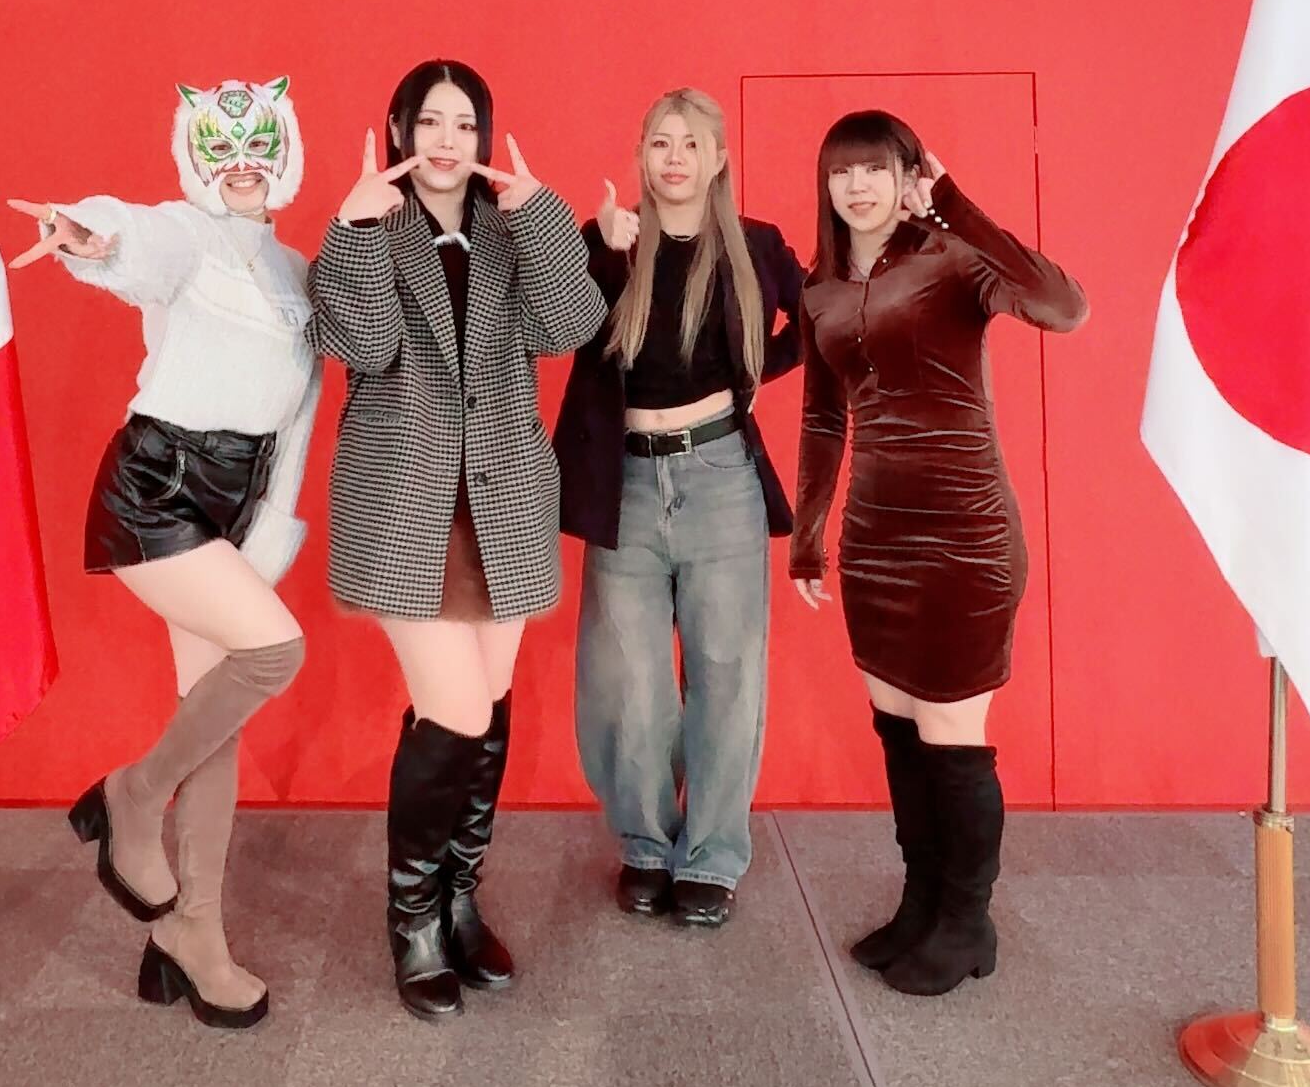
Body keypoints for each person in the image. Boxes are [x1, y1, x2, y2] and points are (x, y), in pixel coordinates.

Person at [9, 76, 320, 1030]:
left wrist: (271, 528)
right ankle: (132, 796)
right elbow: (135, 238)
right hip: (157, 488)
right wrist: (87, 232)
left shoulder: (299, 271)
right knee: (275, 652)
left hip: (238, 501)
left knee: (215, 723)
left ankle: (191, 936)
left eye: (259, 147)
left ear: (284, 155)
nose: (241, 164)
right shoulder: (188, 236)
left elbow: (298, 420)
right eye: (221, 147)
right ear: (195, 155)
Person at [310, 59, 606, 1020]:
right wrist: (355, 229)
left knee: (489, 701)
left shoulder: (508, 229)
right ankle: (412, 922)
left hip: (502, 497)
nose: (447, 141)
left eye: (465, 124)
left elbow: (571, 325)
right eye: (430, 121)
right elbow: (361, 346)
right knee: (458, 713)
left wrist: (540, 217)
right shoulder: (369, 227)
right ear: (398, 129)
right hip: (406, 503)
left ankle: (459, 896)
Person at [791, 110, 1086, 995]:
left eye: (877, 169)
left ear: (908, 176)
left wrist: (955, 203)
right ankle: (921, 903)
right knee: (897, 728)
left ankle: (966, 923)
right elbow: (822, 419)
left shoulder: (955, 259)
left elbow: (1062, 306)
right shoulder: (820, 289)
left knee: (953, 737)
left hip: (963, 532)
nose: (858, 186)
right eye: (842, 171)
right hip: (876, 536)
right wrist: (808, 537)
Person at [556, 88, 803, 925]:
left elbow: (818, 319)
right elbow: (561, 328)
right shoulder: (613, 239)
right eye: (660, 142)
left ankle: (713, 855)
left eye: (691, 144)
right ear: (641, 154)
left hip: (721, 475)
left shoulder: (756, 246)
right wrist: (597, 248)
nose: (674, 158)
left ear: (718, 158)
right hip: (626, 479)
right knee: (628, 675)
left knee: (726, 670)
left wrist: (752, 374)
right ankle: (646, 844)